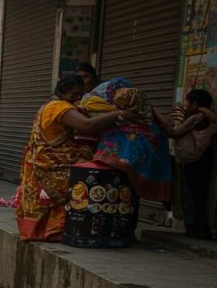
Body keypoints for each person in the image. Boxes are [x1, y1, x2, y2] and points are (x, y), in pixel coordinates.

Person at [14, 74, 133, 242]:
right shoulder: (59, 108)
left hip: (42, 163)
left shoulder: (50, 106)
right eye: (74, 94)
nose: (78, 98)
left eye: (80, 94)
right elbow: (87, 125)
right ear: (63, 91)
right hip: (52, 166)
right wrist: (119, 114)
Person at [84, 77, 172, 203]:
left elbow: (88, 124)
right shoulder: (143, 110)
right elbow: (170, 131)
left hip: (113, 172)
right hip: (130, 173)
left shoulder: (106, 111)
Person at [156, 89, 217, 239]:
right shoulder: (202, 118)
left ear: (195, 104)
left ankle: (196, 226)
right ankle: (198, 226)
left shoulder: (198, 117)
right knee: (197, 193)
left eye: (187, 103)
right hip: (201, 159)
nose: (185, 106)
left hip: (195, 161)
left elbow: (174, 133)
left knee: (192, 193)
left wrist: (156, 116)